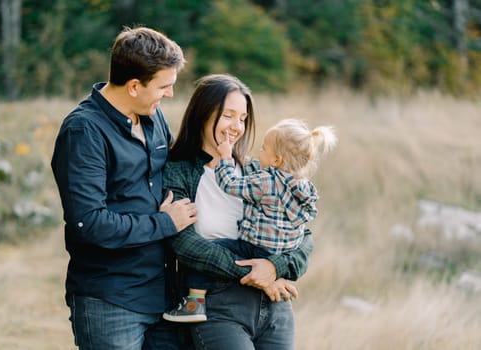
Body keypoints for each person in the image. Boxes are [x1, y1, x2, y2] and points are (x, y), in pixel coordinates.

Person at [50, 26, 198, 350]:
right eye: (164, 86)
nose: (170, 94)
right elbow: (89, 223)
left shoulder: (154, 117)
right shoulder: (83, 131)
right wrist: (165, 222)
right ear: (134, 86)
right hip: (110, 300)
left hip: (163, 295)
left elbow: (175, 176)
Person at [160, 73, 315, 349]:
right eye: (228, 115)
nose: (237, 126)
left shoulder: (258, 172)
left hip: (275, 309)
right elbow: (184, 244)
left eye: (243, 118)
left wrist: (273, 267)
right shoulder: (179, 171)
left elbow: (303, 235)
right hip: (219, 309)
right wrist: (259, 277)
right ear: (204, 113)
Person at [163, 118, 336, 323]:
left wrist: (226, 157)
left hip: (256, 248)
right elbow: (302, 228)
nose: (258, 152)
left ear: (277, 160)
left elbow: (229, 184)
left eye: (263, 149)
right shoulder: (304, 187)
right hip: (281, 251)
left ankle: (195, 303)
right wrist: (275, 268)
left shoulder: (264, 180)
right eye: (228, 116)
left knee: (212, 250)